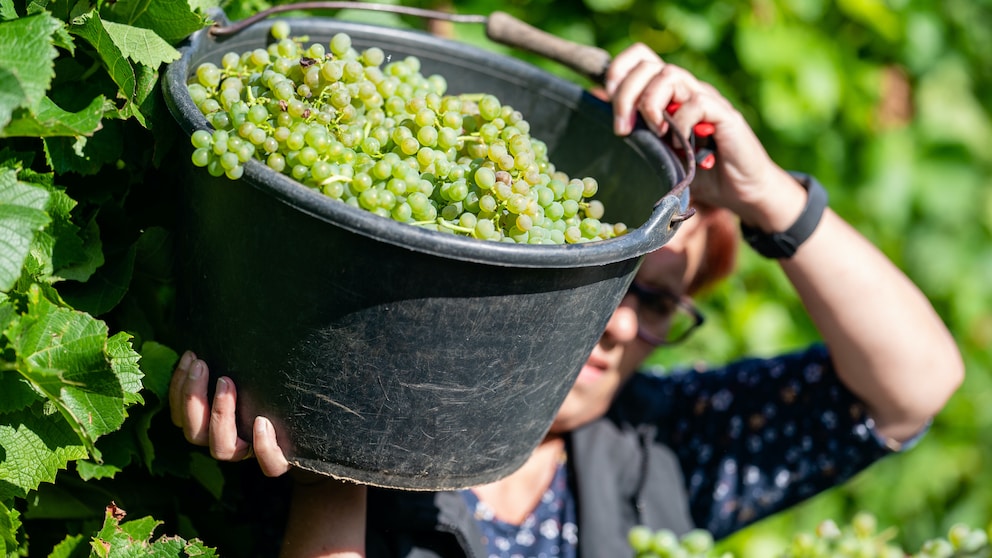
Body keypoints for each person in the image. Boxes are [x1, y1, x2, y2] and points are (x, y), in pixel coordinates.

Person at [168, 42, 964, 558]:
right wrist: (339, 464)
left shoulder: (662, 454)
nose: (617, 321)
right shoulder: (307, 379)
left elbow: (915, 386)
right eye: (602, 275)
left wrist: (770, 198)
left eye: (653, 302)